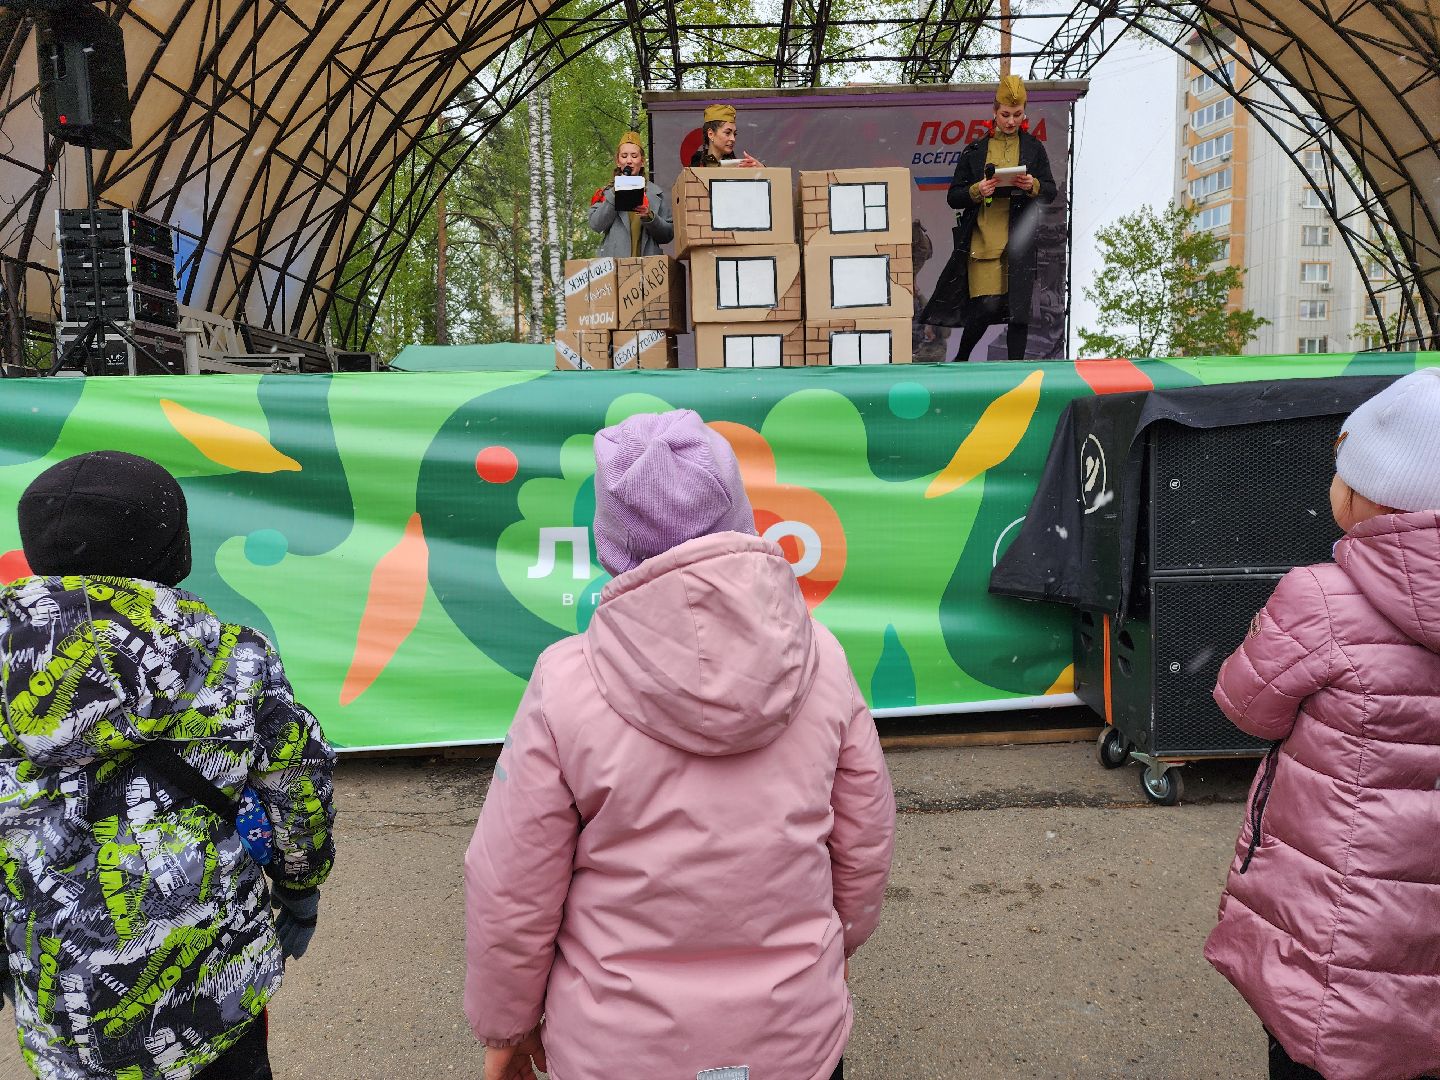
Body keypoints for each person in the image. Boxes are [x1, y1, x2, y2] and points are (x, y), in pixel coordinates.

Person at [464, 409, 895, 1080]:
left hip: (620, 1053)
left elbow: (512, 885)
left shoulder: (565, 683)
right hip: (792, 1043)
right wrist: (836, 948)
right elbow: (864, 841)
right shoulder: (824, 661)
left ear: (612, 541)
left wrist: (507, 1028)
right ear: (739, 512)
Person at [0, 450, 336, 1080]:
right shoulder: (235, 662)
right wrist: (299, 886)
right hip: (210, 994)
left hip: (55, 993)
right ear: (170, 549)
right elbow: (299, 786)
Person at [1204, 368, 1440, 1080]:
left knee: (1329, 1036)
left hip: (1345, 905)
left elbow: (1246, 707)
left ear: (1366, 493)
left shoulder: (1321, 599)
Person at [919, 75, 1057, 361]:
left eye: (1017, 115)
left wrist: (1032, 185)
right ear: (994, 112)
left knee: (1019, 313)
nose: (1010, 121)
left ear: (1024, 113)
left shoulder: (1033, 148)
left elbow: (1050, 191)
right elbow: (953, 196)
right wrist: (977, 190)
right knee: (985, 305)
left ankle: (1016, 372)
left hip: (1019, 240)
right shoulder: (975, 150)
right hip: (983, 240)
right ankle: (961, 359)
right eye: (1005, 114)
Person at [587, 131, 674, 259]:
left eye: (634, 156)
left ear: (642, 161)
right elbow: (596, 225)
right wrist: (614, 194)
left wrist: (650, 217)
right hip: (615, 268)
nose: (629, 161)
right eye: (624, 156)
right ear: (618, 161)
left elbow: (668, 235)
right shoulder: (606, 193)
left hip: (648, 270)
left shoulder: (655, 193)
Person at [689, 103, 764, 168]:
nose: (733, 139)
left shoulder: (739, 166)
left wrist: (761, 170)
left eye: (734, 134)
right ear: (711, 134)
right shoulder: (695, 167)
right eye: (727, 133)